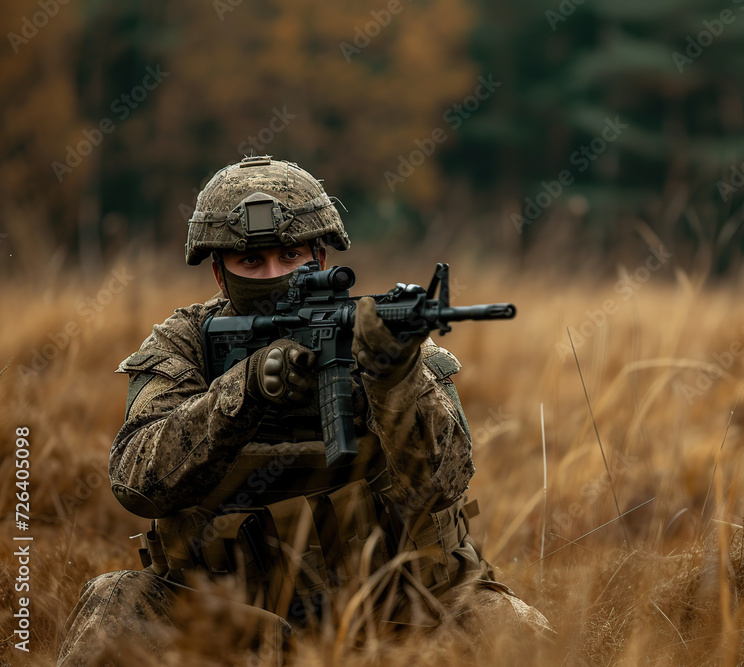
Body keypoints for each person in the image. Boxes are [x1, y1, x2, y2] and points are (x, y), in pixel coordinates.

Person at [58, 156, 549, 666]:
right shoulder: (184, 345)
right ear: (219, 273)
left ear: (319, 258)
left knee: (522, 635)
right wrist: (243, 391)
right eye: (252, 262)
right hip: (226, 613)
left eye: (290, 255)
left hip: (403, 606)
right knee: (116, 606)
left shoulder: (380, 335)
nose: (274, 275)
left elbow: (445, 481)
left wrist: (393, 378)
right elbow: (137, 480)